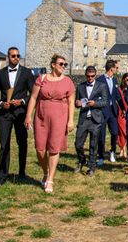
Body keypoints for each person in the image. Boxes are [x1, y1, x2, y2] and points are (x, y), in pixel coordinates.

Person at [24, 54, 75, 193]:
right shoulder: (42, 78)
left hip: (60, 117)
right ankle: (45, 172)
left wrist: (70, 120)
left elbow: (71, 102)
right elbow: (34, 98)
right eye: (61, 64)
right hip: (41, 116)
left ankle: (50, 179)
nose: (63, 67)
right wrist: (28, 115)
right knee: (40, 149)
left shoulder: (68, 81)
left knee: (53, 148)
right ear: (53, 65)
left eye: (65, 64)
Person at [0, 46, 35, 185]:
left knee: (22, 143)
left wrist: (22, 101)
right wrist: (1, 104)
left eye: (17, 56)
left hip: (21, 113)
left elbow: (33, 94)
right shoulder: (0, 73)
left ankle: (22, 172)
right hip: (4, 114)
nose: (16, 58)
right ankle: (2, 175)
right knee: (4, 145)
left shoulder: (27, 73)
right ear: (7, 57)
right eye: (13, 56)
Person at [74, 66, 109, 176]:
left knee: (93, 145)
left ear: (95, 75)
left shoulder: (101, 86)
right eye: (88, 76)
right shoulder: (80, 86)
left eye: (92, 76)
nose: (90, 78)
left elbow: (105, 101)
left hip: (96, 119)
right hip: (84, 119)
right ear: (85, 75)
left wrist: (95, 103)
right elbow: (76, 102)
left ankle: (92, 167)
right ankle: (82, 160)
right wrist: (77, 103)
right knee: (78, 144)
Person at [97, 59, 122, 165]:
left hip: (113, 110)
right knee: (101, 134)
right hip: (103, 111)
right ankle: (101, 156)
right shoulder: (100, 80)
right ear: (111, 68)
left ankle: (112, 151)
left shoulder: (115, 80)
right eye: (116, 68)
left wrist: (123, 108)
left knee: (115, 132)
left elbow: (117, 95)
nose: (117, 70)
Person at [117, 73, 128, 160]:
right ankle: (122, 149)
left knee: (126, 131)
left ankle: (124, 150)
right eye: (127, 80)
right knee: (121, 131)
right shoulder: (120, 90)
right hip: (121, 111)